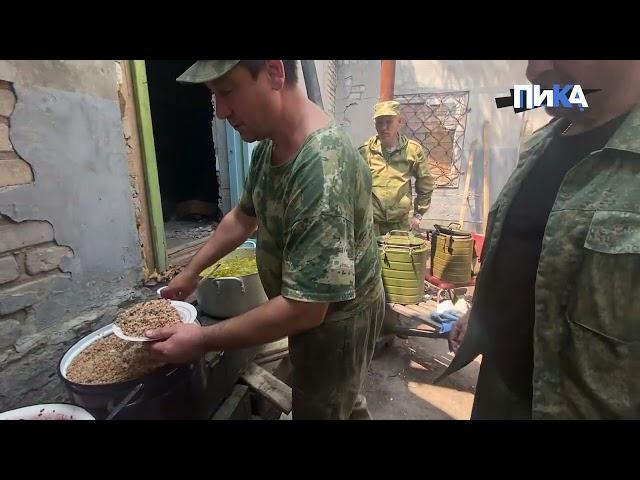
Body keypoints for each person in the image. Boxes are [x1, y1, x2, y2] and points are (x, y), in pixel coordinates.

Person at [148, 60, 386, 420]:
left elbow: (306, 308)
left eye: (227, 92)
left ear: (275, 72)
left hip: (337, 322)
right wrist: (191, 274)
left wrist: (200, 340)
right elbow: (243, 217)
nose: (221, 111)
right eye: (214, 96)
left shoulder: (321, 167)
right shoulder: (269, 145)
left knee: (322, 406)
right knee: (341, 397)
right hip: (310, 309)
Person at [440, 60, 640, 419]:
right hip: (499, 392)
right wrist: (480, 311)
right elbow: (525, 255)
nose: (534, 72)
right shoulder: (541, 144)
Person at [358, 100, 435, 235]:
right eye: (380, 122)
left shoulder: (412, 150)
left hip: (400, 224)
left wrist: (418, 215)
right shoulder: (366, 151)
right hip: (372, 224)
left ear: (399, 122)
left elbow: (425, 182)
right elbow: (354, 185)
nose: (384, 127)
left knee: (398, 256)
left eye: (389, 122)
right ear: (374, 124)